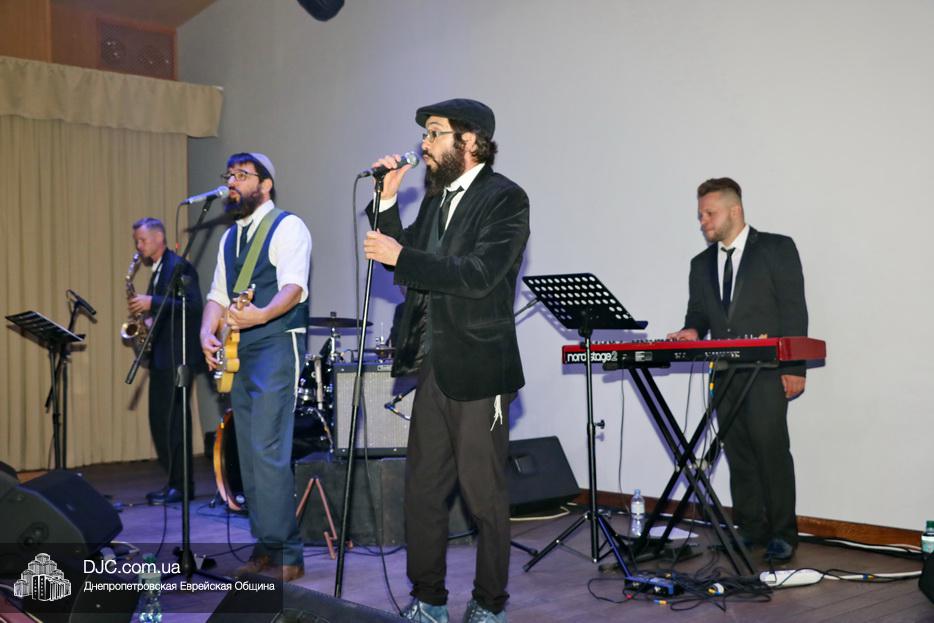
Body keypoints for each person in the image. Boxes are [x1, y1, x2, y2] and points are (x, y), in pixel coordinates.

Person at [364, 99, 530, 623]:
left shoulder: (505, 198)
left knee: (484, 496)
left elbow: (478, 274)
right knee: (423, 490)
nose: (424, 144)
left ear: (470, 141)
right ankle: (429, 599)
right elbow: (405, 262)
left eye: (435, 133)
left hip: (480, 369)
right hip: (433, 365)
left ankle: (489, 603)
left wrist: (403, 256)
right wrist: (387, 200)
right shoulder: (438, 199)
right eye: (426, 134)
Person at [667, 177, 808, 563]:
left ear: (735, 210)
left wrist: (795, 366)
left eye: (709, 214)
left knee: (771, 450)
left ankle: (783, 533)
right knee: (738, 452)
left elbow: (794, 308)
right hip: (725, 372)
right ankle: (750, 528)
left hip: (768, 370)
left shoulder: (777, 248)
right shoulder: (700, 264)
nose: (703, 222)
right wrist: (691, 330)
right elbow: (698, 313)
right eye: (700, 215)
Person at [199, 153, 311, 582]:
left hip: (276, 344)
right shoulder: (230, 238)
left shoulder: (287, 226)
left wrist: (260, 315)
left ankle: (288, 554)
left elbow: (293, 288)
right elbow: (217, 295)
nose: (232, 182)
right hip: (240, 349)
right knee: (247, 452)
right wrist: (206, 332)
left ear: (265, 185)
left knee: (267, 448)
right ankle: (265, 546)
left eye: (242, 175)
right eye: (229, 175)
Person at [129, 217, 204, 506]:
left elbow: (193, 306)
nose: (139, 246)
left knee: (175, 423)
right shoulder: (160, 269)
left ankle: (183, 485)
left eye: (142, 240)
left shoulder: (179, 266)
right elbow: (170, 310)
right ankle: (173, 481)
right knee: (160, 421)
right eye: (137, 241)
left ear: (159, 238)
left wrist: (153, 303)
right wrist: (149, 320)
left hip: (177, 356)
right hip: (162, 357)